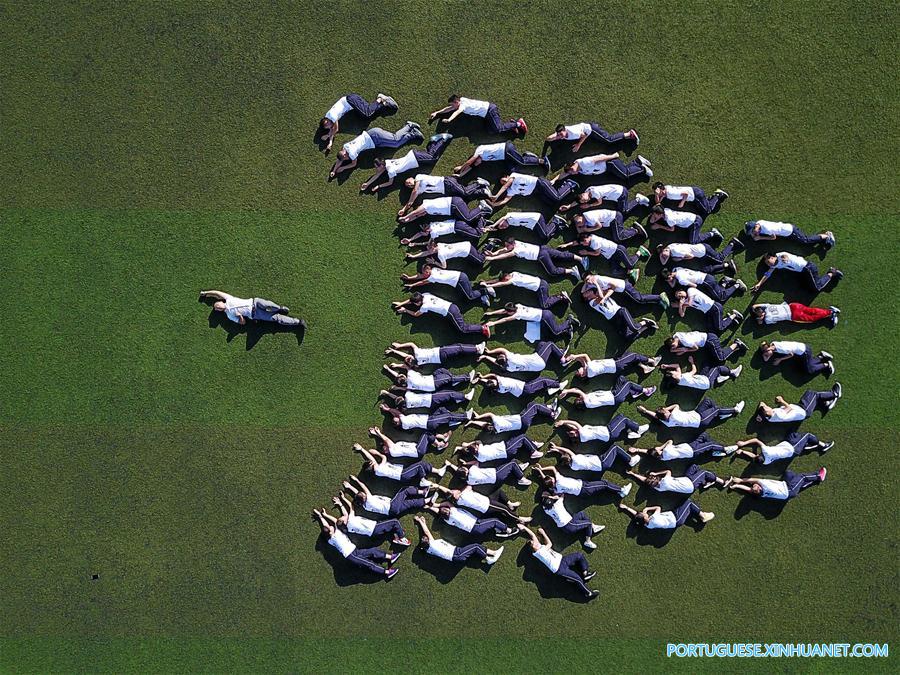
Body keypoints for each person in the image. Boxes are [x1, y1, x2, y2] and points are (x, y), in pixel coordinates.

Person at [312, 509, 400, 579]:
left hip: (354, 550)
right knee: (369, 564)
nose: (330, 526)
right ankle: (387, 573)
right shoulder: (336, 534)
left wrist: (320, 517)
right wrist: (324, 515)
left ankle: (390, 557)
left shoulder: (330, 539)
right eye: (330, 527)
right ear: (331, 532)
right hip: (350, 555)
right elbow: (335, 521)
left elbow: (326, 527)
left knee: (372, 551)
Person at [519, 526, 599, 599]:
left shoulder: (541, 547)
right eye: (533, 544)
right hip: (559, 569)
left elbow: (534, 536)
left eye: (534, 542)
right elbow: (549, 544)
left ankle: (585, 574)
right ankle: (588, 593)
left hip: (563, 560)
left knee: (579, 555)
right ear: (533, 549)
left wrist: (525, 528)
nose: (535, 543)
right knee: (577, 579)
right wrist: (543, 533)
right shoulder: (538, 553)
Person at [359, 134, 455, 193]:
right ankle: (434, 141)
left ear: (382, 165)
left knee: (432, 158)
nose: (377, 169)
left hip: (415, 159)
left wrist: (378, 186)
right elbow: (377, 176)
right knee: (430, 157)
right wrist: (367, 183)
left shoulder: (391, 170)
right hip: (413, 156)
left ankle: (441, 139)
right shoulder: (387, 162)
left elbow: (390, 182)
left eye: (377, 167)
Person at [329, 121, 424, 179]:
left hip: (375, 136)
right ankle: (413, 134)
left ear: (345, 155)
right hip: (374, 141)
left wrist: (343, 168)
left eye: (345, 159)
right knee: (396, 144)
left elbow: (353, 164)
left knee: (395, 140)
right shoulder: (345, 147)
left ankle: (409, 126)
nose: (346, 160)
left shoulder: (352, 153)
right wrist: (334, 170)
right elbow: (339, 160)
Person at [318, 93, 399, 154]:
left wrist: (328, 135)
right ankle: (382, 105)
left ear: (326, 121)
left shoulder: (332, 116)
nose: (330, 127)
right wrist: (330, 143)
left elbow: (336, 129)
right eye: (328, 128)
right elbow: (333, 129)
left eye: (328, 126)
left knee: (367, 113)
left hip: (351, 100)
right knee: (365, 117)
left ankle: (380, 99)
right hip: (351, 101)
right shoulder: (329, 117)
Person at [412, 516, 504, 565]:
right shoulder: (432, 544)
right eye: (426, 539)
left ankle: (489, 556)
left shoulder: (429, 550)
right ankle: (490, 557)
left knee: (474, 548)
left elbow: (426, 533)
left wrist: (422, 522)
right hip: (457, 554)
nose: (426, 537)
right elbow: (427, 532)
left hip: (455, 556)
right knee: (475, 546)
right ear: (427, 542)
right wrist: (420, 521)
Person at [484, 238, 586, 281]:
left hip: (541, 255)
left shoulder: (516, 250)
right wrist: (493, 254)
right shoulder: (517, 243)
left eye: (508, 246)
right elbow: (504, 250)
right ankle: (581, 259)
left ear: (513, 244)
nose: (507, 247)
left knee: (552, 271)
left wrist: (492, 259)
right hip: (543, 248)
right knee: (561, 255)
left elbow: (505, 255)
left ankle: (572, 270)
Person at [392, 292, 489, 337]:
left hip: (451, 312)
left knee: (462, 329)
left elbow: (416, 314)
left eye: (415, 304)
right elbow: (412, 300)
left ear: (419, 302)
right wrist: (401, 303)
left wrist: (405, 310)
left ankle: (482, 328)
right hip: (452, 306)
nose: (414, 305)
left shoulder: (424, 306)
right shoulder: (426, 294)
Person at [582, 287, 658, 343]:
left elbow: (612, 289)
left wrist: (600, 289)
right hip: (613, 319)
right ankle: (647, 325)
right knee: (628, 338)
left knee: (634, 328)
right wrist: (602, 294)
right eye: (586, 292)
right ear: (586, 298)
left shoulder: (601, 292)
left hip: (620, 311)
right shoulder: (591, 303)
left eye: (588, 290)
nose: (587, 291)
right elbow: (600, 298)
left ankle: (644, 322)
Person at [200, 290, 307, 329]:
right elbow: (243, 323)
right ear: (219, 310)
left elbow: (217, 293)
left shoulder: (229, 299)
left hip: (254, 302)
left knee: (269, 304)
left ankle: (280, 308)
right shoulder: (229, 315)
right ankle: (298, 322)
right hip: (255, 315)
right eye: (217, 308)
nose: (218, 307)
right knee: (276, 319)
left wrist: (206, 293)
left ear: (220, 301)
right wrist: (239, 316)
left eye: (217, 304)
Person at [332, 493, 410, 546]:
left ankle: (396, 536)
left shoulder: (348, 528)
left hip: (373, 533)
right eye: (343, 517)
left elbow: (345, 515)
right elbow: (350, 507)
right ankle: (402, 538)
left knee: (388, 523)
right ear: (345, 522)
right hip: (375, 527)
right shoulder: (351, 520)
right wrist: (343, 499)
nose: (344, 515)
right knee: (395, 522)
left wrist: (340, 504)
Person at [429, 94, 527, 136]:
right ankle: (511, 126)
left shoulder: (463, 105)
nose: (452, 106)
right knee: (491, 131)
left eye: (453, 104)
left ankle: (518, 123)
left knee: (498, 129)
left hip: (490, 110)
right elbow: (449, 109)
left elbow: (457, 112)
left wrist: (449, 120)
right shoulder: (462, 100)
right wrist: (437, 113)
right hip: (487, 114)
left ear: (456, 101)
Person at [394, 171, 489, 213]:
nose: (409, 184)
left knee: (465, 192)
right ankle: (482, 192)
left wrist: (408, 203)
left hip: (447, 182)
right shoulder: (419, 190)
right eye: (408, 186)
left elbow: (414, 192)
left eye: (408, 182)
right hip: (446, 190)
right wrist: (404, 209)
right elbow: (411, 201)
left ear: (411, 178)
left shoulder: (419, 177)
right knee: (465, 197)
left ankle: (478, 183)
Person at [560, 233, 650, 278]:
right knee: (614, 271)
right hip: (611, 256)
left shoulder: (595, 242)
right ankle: (631, 272)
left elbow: (597, 253)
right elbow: (577, 242)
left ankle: (640, 252)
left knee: (630, 265)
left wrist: (586, 253)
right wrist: (567, 245)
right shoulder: (588, 239)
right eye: (583, 244)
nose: (584, 245)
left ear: (587, 238)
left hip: (617, 250)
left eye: (584, 242)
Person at [537, 493, 605, 550]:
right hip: (570, 525)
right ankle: (587, 541)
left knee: (581, 514)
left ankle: (593, 527)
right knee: (588, 523)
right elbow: (562, 496)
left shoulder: (546, 510)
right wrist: (552, 496)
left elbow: (545, 504)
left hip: (565, 525)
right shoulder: (557, 505)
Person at [751, 252, 843, 293]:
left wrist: (785, 260)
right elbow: (768, 274)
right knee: (808, 288)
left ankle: (832, 272)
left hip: (808, 268)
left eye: (767, 261)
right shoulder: (774, 265)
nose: (768, 264)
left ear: (772, 257)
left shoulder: (780, 255)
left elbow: (785, 256)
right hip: (804, 272)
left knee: (817, 288)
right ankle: (827, 275)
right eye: (766, 263)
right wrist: (759, 284)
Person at [481, 302, 581, 341]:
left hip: (545, 317)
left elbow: (505, 319)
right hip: (545, 313)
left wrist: (493, 323)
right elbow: (505, 310)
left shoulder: (518, 315)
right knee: (548, 332)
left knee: (555, 332)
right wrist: (492, 313)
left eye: (508, 312)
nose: (506, 313)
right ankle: (567, 329)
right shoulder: (518, 305)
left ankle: (569, 322)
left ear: (511, 312)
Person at [340, 475, 429, 517]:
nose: (363, 493)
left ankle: (427, 501)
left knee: (410, 503)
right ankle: (423, 492)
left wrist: (349, 487)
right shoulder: (369, 499)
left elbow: (358, 495)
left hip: (393, 512)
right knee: (404, 490)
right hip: (392, 505)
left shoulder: (365, 506)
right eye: (363, 494)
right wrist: (356, 480)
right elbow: (364, 487)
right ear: (364, 497)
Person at [400, 264, 490, 305]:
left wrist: (412, 285)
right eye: (425, 273)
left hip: (460, 280)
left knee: (470, 296)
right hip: (460, 277)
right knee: (465, 294)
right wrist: (409, 278)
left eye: (426, 272)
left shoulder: (433, 276)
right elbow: (422, 277)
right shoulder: (434, 269)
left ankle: (484, 291)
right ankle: (482, 289)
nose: (425, 274)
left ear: (428, 269)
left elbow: (423, 282)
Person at [427, 483, 526, 520]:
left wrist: (439, 487)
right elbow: (468, 485)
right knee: (504, 510)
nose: (454, 489)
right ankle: (519, 518)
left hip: (487, 501)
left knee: (498, 492)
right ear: (456, 496)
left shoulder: (457, 502)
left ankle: (510, 504)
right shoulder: (464, 493)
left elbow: (449, 495)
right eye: (454, 491)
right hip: (487, 506)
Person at [423, 501, 524, 538]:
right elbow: (448, 504)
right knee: (495, 521)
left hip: (473, 528)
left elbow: (440, 512)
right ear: (448, 511)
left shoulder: (447, 520)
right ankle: (509, 531)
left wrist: (430, 507)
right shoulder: (453, 511)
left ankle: (498, 530)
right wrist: (436, 504)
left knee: (491, 522)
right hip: (476, 525)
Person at [478, 271, 571, 310]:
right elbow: (500, 280)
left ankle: (561, 297)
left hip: (541, 287)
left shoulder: (513, 280)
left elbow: (501, 283)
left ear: (506, 277)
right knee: (544, 301)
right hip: (541, 283)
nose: (506, 280)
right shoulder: (513, 273)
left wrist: (487, 285)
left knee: (545, 305)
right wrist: (487, 282)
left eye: (505, 279)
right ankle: (560, 296)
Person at [453, 141, 550, 177]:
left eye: (476, 162)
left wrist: (461, 167)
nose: (477, 164)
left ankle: (542, 161)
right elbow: (471, 166)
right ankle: (529, 156)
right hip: (505, 157)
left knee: (522, 163)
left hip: (506, 149)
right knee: (511, 170)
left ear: (475, 159)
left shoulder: (479, 151)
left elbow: (469, 163)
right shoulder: (480, 159)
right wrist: (461, 175)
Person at [727, 433, 834, 465]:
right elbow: (756, 440)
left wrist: (742, 452)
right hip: (792, 448)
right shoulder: (766, 452)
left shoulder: (766, 462)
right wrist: (743, 443)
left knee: (792, 433)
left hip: (789, 446)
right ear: (761, 456)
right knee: (808, 436)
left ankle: (805, 446)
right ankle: (824, 445)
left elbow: (753, 457)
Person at [533, 464, 632, 499]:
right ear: (553, 480)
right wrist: (541, 469)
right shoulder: (559, 479)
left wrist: (541, 473)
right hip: (584, 487)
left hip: (582, 491)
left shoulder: (556, 489)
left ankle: (619, 493)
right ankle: (622, 490)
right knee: (604, 484)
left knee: (602, 486)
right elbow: (553, 468)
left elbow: (548, 482)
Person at [487, 173, 578, 210]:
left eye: (503, 180)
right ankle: (565, 189)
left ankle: (569, 184)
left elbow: (505, 186)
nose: (503, 183)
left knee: (557, 197)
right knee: (552, 204)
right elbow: (506, 200)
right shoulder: (510, 190)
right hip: (536, 192)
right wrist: (495, 204)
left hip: (539, 183)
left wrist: (496, 195)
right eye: (501, 183)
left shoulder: (513, 176)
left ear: (507, 176)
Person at [637, 399, 746, 430]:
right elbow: (676, 404)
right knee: (716, 409)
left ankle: (721, 415)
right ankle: (735, 410)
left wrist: (646, 411)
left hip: (696, 413)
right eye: (665, 411)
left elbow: (656, 416)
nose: (667, 410)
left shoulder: (666, 423)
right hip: (701, 420)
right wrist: (666, 408)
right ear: (666, 413)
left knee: (707, 401)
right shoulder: (673, 414)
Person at [755, 384, 842, 423]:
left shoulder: (767, 417)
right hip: (803, 410)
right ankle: (834, 394)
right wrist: (782, 401)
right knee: (814, 394)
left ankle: (826, 404)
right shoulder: (777, 414)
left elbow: (761, 404)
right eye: (766, 408)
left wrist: (759, 416)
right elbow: (789, 408)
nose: (767, 406)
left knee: (809, 394)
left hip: (800, 410)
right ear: (766, 413)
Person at [672, 288, 744, 333]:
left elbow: (690, 303)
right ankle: (728, 319)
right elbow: (682, 315)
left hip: (714, 307)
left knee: (720, 328)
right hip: (709, 312)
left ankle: (734, 315)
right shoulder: (685, 303)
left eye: (679, 293)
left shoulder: (690, 290)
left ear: (682, 290)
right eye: (678, 296)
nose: (680, 296)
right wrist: (681, 305)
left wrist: (680, 304)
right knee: (711, 329)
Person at [726, 469, 827, 500]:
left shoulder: (761, 493)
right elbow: (752, 479)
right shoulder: (765, 485)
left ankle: (801, 484)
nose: (754, 485)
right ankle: (819, 477)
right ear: (759, 488)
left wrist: (737, 486)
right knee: (802, 477)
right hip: (789, 491)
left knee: (789, 473)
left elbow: (748, 490)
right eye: (755, 486)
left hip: (784, 486)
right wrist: (740, 480)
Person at [558, 376, 655, 409]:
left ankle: (633, 393)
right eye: (579, 398)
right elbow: (577, 390)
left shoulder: (588, 402)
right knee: (628, 383)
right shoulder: (587, 401)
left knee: (621, 379)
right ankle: (646, 391)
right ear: (581, 401)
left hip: (613, 393)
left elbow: (578, 392)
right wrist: (567, 391)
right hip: (615, 396)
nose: (579, 397)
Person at [559, 184, 650, 219]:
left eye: (584, 199)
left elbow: (599, 202)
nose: (586, 200)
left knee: (624, 211)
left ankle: (638, 199)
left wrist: (589, 205)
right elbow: (578, 201)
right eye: (584, 201)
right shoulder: (588, 190)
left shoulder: (595, 193)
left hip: (621, 194)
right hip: (618, 191)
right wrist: (569, 206)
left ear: (583, 193)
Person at [584, 272, 669, 309]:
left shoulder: (600, 280)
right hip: (623, 286)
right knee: (637, 299)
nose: (588, 282)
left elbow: (614, 286)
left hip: (624, 288)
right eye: (586, 281)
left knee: (639, 299)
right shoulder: (596, 280)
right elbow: (583, 290)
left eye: (588, 279)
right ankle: (658, 300)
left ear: (593, 275)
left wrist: (604, 297)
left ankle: (659, 297)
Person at [464, 401, 558, 434]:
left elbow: (483, 425)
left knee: (531, 407)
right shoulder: (496, 421)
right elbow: (489, 414)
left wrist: (473, 422)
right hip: (522, 419)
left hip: (523, 426)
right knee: (534, 405)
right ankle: (552, 414)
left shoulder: (496, 431)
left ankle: (548, 407)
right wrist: (478, 417)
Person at [543, 122, 639, 153]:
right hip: (587, 128)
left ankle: (629, 134)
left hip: (591, 130)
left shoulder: (573, 133)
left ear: (565, 130)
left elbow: (584, 135)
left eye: (561, 134)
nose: (560, 137)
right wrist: (554, 137)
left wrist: (578, 145)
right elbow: (549, 138)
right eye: (559, 135)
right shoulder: (562, 134)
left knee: (608, 140)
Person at [662, 266, 746, 302]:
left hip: (706, 282)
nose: (669, 281)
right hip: (705, 276)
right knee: (718, 292)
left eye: (668, 279)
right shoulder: (677, 269)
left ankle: (737, 284)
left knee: (721, 297)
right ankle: (725, 281)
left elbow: (694, 286)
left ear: (669, 276)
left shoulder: (681, 281)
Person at [552, 153, 653, 182]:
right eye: (571, 173)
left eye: (572, 171)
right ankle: (638, 161)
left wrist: (613, 156)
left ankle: (642, 168)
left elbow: (598, 158)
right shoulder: (579, 170)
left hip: (610, 163)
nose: (573, 173)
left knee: (625, 175)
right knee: (624, 172)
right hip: (608, 168)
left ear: (572, 165)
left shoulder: (584, 163)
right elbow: (563, 174)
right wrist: (554, 180)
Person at [397, 195, 491, 227]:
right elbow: (416, 215)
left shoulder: (426, 205)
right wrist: (407, 220)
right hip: (453, 209)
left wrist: (405, 217)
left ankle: (481, 207)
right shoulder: (428, 211)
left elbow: (415, 213)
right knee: (468, 220)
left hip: (454, 204)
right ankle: (482, 214)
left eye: (420, 213)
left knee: (467, 218)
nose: (421, 214)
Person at [660, 355, 742, 390]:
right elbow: (694, 371)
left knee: (706, 364)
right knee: (717, 369)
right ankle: (732, 373)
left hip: (702, 380)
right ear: (674, 376)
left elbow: (677, 366)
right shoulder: (684, 377)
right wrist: (692, 362)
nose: (675, 371)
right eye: (673, 372)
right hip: (706, 381)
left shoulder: (678, 381)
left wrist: (667, 366)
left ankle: (718, 378)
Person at [366, 426, 451, 460]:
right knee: (426, 434)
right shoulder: (393, 452)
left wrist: (376, 435)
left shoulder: (395, 446)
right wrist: (378, 432)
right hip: (418, 450)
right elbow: (387, 440)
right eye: (384, 447)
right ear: (385, 452)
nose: (385, 445)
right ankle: (440, 444)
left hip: (418, 448)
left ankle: (440, 441)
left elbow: (387, 441)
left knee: (427, 435)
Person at [478, 341, 567, 373]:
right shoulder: (511, 357)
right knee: (550, 344)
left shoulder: (508, 368)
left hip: (537, 368)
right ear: (505, 358)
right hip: (538, 360)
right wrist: (489, 351)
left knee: (541, 344)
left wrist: (485, 357)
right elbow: (502, 349)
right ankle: (562, 358)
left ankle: (553, 354)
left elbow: (496, 362)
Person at [626, 465, 726, 494]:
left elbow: (644, 480)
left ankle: (703, 482)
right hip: (690, 484)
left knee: (694, 467)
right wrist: (656, 473)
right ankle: (720, 481)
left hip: (686, 480)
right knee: (704, 472)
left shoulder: (659, 489)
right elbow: (668, 471)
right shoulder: (665, 481)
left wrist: (632, 474)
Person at [546, 442, 642, 472]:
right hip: (602, 461)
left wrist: (556, 450)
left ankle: (624, 460)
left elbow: (566, 455)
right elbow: (568, 451)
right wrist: (557, 447)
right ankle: (630, 460)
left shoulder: (573, 467)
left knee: (613, 454)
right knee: (615, 447)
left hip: (600, 467)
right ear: (569, 458)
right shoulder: (575, 458)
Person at [647, 206, 722, 244]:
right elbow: (652, 220)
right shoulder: (666, 210)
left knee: (693, 241)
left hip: (695, 223)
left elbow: (672, 229)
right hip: (693, 218)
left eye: (655, 216)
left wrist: (659, 226)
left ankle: (712, 233)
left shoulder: (670, 220)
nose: (655, 217)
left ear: (660, 214)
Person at [381, 361, 473, 392]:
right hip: (432, 382)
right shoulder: (411, 375)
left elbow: (398, 379)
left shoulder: (407, 386)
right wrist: (396, 365)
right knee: (448, 378)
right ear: (405, 377)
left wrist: (388, 370)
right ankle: (467, 377)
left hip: (431, 383)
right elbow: (405, 367)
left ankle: (454, 382)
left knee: (440, 371)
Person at [629, 434, 730, 461]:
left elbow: (649, 452)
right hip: (692, 451)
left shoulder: (662, 458)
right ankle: (725, 449)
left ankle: (712, 451)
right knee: (710, 445)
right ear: (659, 452)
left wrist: (637, 449)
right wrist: (661, 446)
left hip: (690, 446)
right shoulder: (667, 450)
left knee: (704, 436)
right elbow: (670, 441)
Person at [439, 459, 533, 488]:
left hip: (495, 481)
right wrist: (466, 463)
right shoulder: (472, 470)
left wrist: (450, 465)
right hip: (496, 473)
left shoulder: (469, 482)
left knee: (509, 467)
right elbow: (477, 462)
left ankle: (519, 468)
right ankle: (521, 478)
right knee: (512, 463)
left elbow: (459, 472)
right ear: (466, 471)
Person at [554, 416, 649, 444]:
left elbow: (573, 427)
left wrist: (564, 425)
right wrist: (563, 421)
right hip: (610, 432)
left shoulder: (582, 435)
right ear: (575, 435)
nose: (573, 431)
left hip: (608, 433)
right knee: (623, 419)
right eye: (572, 433)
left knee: (620, 417)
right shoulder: (582, 434)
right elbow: (575, 423)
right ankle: (638, 429)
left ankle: (629, 434)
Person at [657, 239, 743, 270]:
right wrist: (663, 255)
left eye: (664, 254)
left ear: (664, 249)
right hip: (701, 249)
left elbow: (691, 256)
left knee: (720, 259)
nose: (665, 256)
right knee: (714, 263)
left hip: (704, 252)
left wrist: (681, 258)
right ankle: (728, 263)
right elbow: (663, 263)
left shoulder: (675, 252)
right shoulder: (670, 247)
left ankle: (732, 244)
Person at [562, 351, 660, 378]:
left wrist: (573, 358)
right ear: (583, 374)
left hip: (615, 367)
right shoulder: (590, 368)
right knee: (633, 355)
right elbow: (585, 355)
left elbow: (582, 361)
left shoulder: (590, 373)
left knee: (629, 357)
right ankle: (652, 361)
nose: (578, 369)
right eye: (578, 371)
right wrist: (575, 356)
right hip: (616, 364)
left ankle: (644, 368)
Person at [760, 341, 835, 376]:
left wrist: (780, 360)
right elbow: (766, 359)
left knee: (809, 370)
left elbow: (791, 354)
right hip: (803, 348)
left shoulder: (781, 349)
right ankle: (821, 356)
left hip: (805, 352)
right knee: (809, 363)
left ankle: (826, 365)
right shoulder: (773, 344)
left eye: (766, 352)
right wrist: (766, 355)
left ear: (769, 348)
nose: (766, 354)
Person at [384, 341, 484, 368]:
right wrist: (399, 346)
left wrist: (394, 352)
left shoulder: (418, 364)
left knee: (458, 353)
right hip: (441, 352)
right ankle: (477, 349)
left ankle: (473, 352)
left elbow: (404, 363)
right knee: (459, 347)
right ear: (411, 357)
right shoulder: (418, 354)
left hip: (441, 360)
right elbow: (411, 344)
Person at [618, 501, 714, 528]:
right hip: (676, 519)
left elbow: (637, 515)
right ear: (645, 518)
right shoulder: (654, 518)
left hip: (673, 515)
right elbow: (658, 507)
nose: (644, 513)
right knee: (689, 503)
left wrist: (626, 508)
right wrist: (647, 508)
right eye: (644, 514)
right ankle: (702, 516)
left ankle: (697, 513)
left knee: (686, 505)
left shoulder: (647, 525)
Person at [665, 331, 748, 362]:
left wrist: (685, 350)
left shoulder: (686, 342)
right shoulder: (677, 335)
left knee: (720, 358)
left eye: (673, 346)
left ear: (673, 341)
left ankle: (736, 344)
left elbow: (696, 348)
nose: (675, 348)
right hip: (708, 339)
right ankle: (736, 348)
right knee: (713, 358)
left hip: (710, 341)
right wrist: (676, 349)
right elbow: (674, 351)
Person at [482, 212, 567, 243]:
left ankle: (556, 222)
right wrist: (491, 229)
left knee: (545, 235)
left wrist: (493, 225)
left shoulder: (509, 216)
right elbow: (498, 227)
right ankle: (556, 226)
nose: (503, 227)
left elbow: (503, 218)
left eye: (501, 225)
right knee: (542, 237)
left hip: (536, 219)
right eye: (503, 228)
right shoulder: (511, 223)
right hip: (534, 225)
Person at [453, 435, 546, 463]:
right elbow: (479, 441)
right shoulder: (480, 448)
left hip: (506, 454)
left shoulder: (478, 458)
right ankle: (533, 451)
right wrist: (467, 444)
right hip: (506, 448)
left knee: (517, 440)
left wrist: (463, 449)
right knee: (523, 437)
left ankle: (533, 444)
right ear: (476, 448)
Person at [472, 373, 565, 400]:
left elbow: (490, 382)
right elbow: (493, 375)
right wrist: (483, 376)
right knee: (542, 380)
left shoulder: (498, 389)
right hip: (525, 388)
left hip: (521, 394)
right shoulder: (501, 381)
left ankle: (550, 389)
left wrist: (480, 380)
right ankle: (559, 385)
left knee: (539, 384)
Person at [570, 209, 647, 243]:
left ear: (581, 216)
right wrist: (578, 225)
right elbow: (579, 231)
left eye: (579, 221)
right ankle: (632, 230)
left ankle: (635, 230)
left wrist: (587, 230)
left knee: (619, 237)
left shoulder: (589, 216)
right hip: (612, 222)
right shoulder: (585, 221)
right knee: (617, 238)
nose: (580, 224)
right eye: (578, 224)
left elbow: (599, 226)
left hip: (615, 218)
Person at [744, 220, 835, 248]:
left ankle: (827, 236)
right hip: (786, 229)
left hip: (790, 232)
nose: (753, 233)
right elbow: (756, 230)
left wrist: (760, 238)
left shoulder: (766, 229)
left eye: (752, 231)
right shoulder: (759, 222)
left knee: (806, 240)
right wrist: (756, 233)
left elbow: (773, 237)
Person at [651, 182, 728, 215]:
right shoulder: (666, 189)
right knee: (701, 208)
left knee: (708, 210)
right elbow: (658, 203)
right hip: (695, 192)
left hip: (696, 195)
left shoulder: (670, 193)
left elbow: (686, 194)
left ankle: (718, 195)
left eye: (657, 192)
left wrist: (682, 203)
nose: (657, 193)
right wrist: (657, 195)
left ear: (661, 189)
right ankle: (709, 199)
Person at [379, 404, 470, 431]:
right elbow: (397, 412)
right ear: (398, 422)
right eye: (396, 419)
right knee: (448, 416)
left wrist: (391, 413)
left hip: (428, 420)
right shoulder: (404, 420)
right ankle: (465, 417)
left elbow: (396, 414)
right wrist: (387, 409)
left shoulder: (404, 426)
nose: (397, 417)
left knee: (441, 409)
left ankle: (450, 422)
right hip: (429, 421)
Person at [378, 386, 473, 412]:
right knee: (448, 394)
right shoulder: (408, 397)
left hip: (429, 406)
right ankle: (465, 397)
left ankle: (458, 400)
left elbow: (396, 399)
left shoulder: (405, 408)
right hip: (431, 398)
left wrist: (387, 393)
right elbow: (404, 391)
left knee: (445, 401)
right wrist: (392, 390)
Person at [752, 302, 840, 329]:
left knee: (811, 318)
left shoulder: (767, 319)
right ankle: (829, 311)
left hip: (793, 315)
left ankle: (831, 313)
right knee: (811, 310)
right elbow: (755, 306)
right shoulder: (768, 307)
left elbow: (760, 323)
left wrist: (760, 318)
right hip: (793, 305)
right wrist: (755, 309)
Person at [405, 240, 485, 269]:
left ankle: (489, 246)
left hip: (467, 251)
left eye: (429, 249)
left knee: (481, 260)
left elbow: (444, 266)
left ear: (433, 248)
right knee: (478, 254)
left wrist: (433, 262)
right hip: (466, 244)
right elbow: (425, 252)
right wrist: (413, 256)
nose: (428, 251)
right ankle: (485, 249)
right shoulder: (439, 244)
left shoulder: (441, 255)